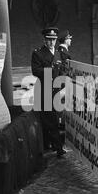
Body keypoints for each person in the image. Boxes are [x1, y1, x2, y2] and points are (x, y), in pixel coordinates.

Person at [32, 27, 67, 157]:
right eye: (49, 40)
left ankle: (50, 145)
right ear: (44, 40)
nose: (52, 42)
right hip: (45, 90)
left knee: (53, 118)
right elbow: (35, 71)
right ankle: (58, 148)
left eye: (54, 39)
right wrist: (51, 70)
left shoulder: (59, 53)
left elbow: (63, 70)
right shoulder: (38, 53)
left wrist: (63, 83)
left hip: (56, 89)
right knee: (51, 120)